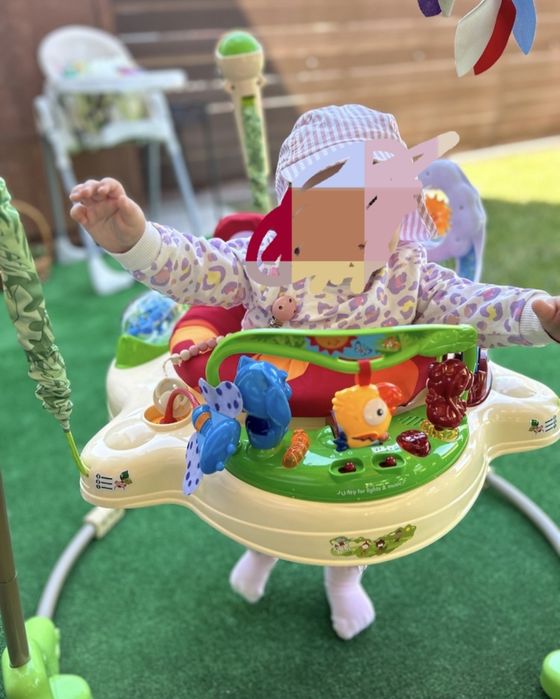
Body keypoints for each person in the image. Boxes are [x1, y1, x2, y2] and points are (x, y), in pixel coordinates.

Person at [70, 105, 560, 641]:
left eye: (381, 205)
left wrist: (537, 315)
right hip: (273, 412)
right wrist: (135, 240)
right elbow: (196, 268)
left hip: (367, 419)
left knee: (352, 522)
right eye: (342, 209)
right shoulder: (265, 264)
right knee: (268, 512)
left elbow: (471, 304)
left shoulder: (408, 273)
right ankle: (261, 551)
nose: (365, 226)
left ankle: (343, 581)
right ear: (298, 211)